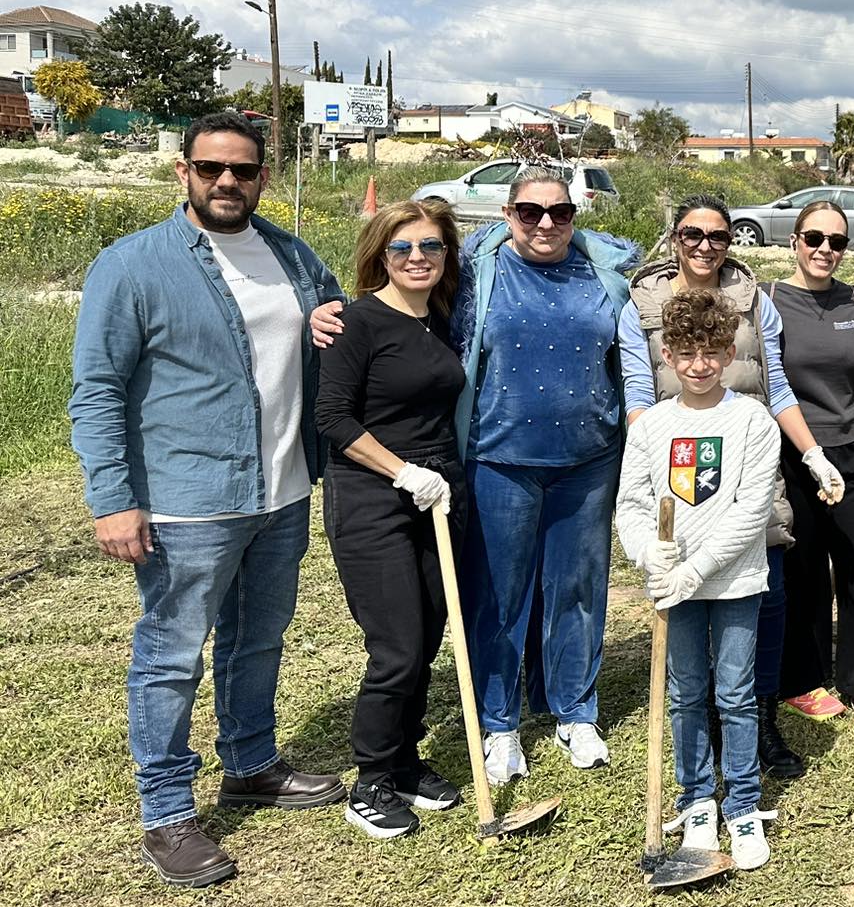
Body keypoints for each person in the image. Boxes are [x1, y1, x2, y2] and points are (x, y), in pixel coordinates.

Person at [69, 110, 347, 886]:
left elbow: (332, 336)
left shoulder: (293, 257)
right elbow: (96, 390)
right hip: (189, 499)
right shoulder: (132, 266)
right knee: (170, 655)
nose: (228, 182)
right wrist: (112, 499)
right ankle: (166, 814)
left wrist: (338, 324)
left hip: (285, 488)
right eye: (212, 168)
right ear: (183, 172)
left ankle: (252, 762)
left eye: (244, 170)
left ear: (262, 176)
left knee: (259, 638)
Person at [450, 166, 654, 785]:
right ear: (507, 214)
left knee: (579, 590)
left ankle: (575, 710)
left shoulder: (605, 278)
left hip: (589, 462)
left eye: (559, 212)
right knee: (500, 596)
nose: (545, 223)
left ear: (575, 214)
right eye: (531, 211)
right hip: (501, 459)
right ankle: (500, 723)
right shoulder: (476, 276)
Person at [630, 194, 842, 783]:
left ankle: (760, 720)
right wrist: (647, 477)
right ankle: (701, 731)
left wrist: (813, 454)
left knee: (764, 598)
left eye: (718, 236)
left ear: (731, 242)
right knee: (692, 599)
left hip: (751, 460)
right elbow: (637, 395)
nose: (705, 246)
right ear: (675, 237)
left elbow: (776, 388)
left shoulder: (755, 301)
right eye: (693, 234)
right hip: (680, 465)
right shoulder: (641, 303)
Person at [314, 198, 470, 840]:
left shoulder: (439, 320)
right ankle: (371, 779)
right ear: (379, 253)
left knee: (430, 631)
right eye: (402, 247)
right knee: (398, 645)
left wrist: (432, 479)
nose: (416, 258)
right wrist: (402, 471)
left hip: (437, 494)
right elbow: (334, 418)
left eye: (430, 247)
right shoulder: (354, 323)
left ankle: (405, 760)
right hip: (374, 495)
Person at [616, 290, 783, 871]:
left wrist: (695, 569)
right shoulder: (652, 427)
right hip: (672, 587)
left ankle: (741, 804)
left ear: (729, 352)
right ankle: (695, 802)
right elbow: (632, 505)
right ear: (666, 355)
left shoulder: (751, 420)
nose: (699, 364)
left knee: (735, 694)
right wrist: (648, 555)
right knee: (686, 693)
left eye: (712, 351)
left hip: (733, 580)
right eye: (685, 352)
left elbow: (750, 509)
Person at [769, 199, 854, 731]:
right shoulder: (771, 300)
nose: (825, 249)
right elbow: (771, 380)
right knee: (802, 570)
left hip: (852, 451)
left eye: (837, 241)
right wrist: (808, 451)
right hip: (794, 450)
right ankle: (803, 677)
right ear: (795, 241)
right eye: (814, 238)